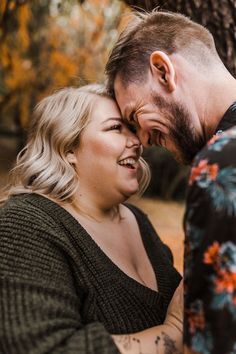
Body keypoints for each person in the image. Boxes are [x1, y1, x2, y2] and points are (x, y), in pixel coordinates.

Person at [0, 84, 182, 354]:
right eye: (115, 128)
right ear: (68, 148)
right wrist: (174, 331)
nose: (136, 142)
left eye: (132, 129)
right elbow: (42, 347)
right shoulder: (24, 223)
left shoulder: (138, 221)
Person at [105, 10, 236, 354]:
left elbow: (217, 341)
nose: (143, 141)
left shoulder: (222, 162)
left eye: (135, 116)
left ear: (163, 70)